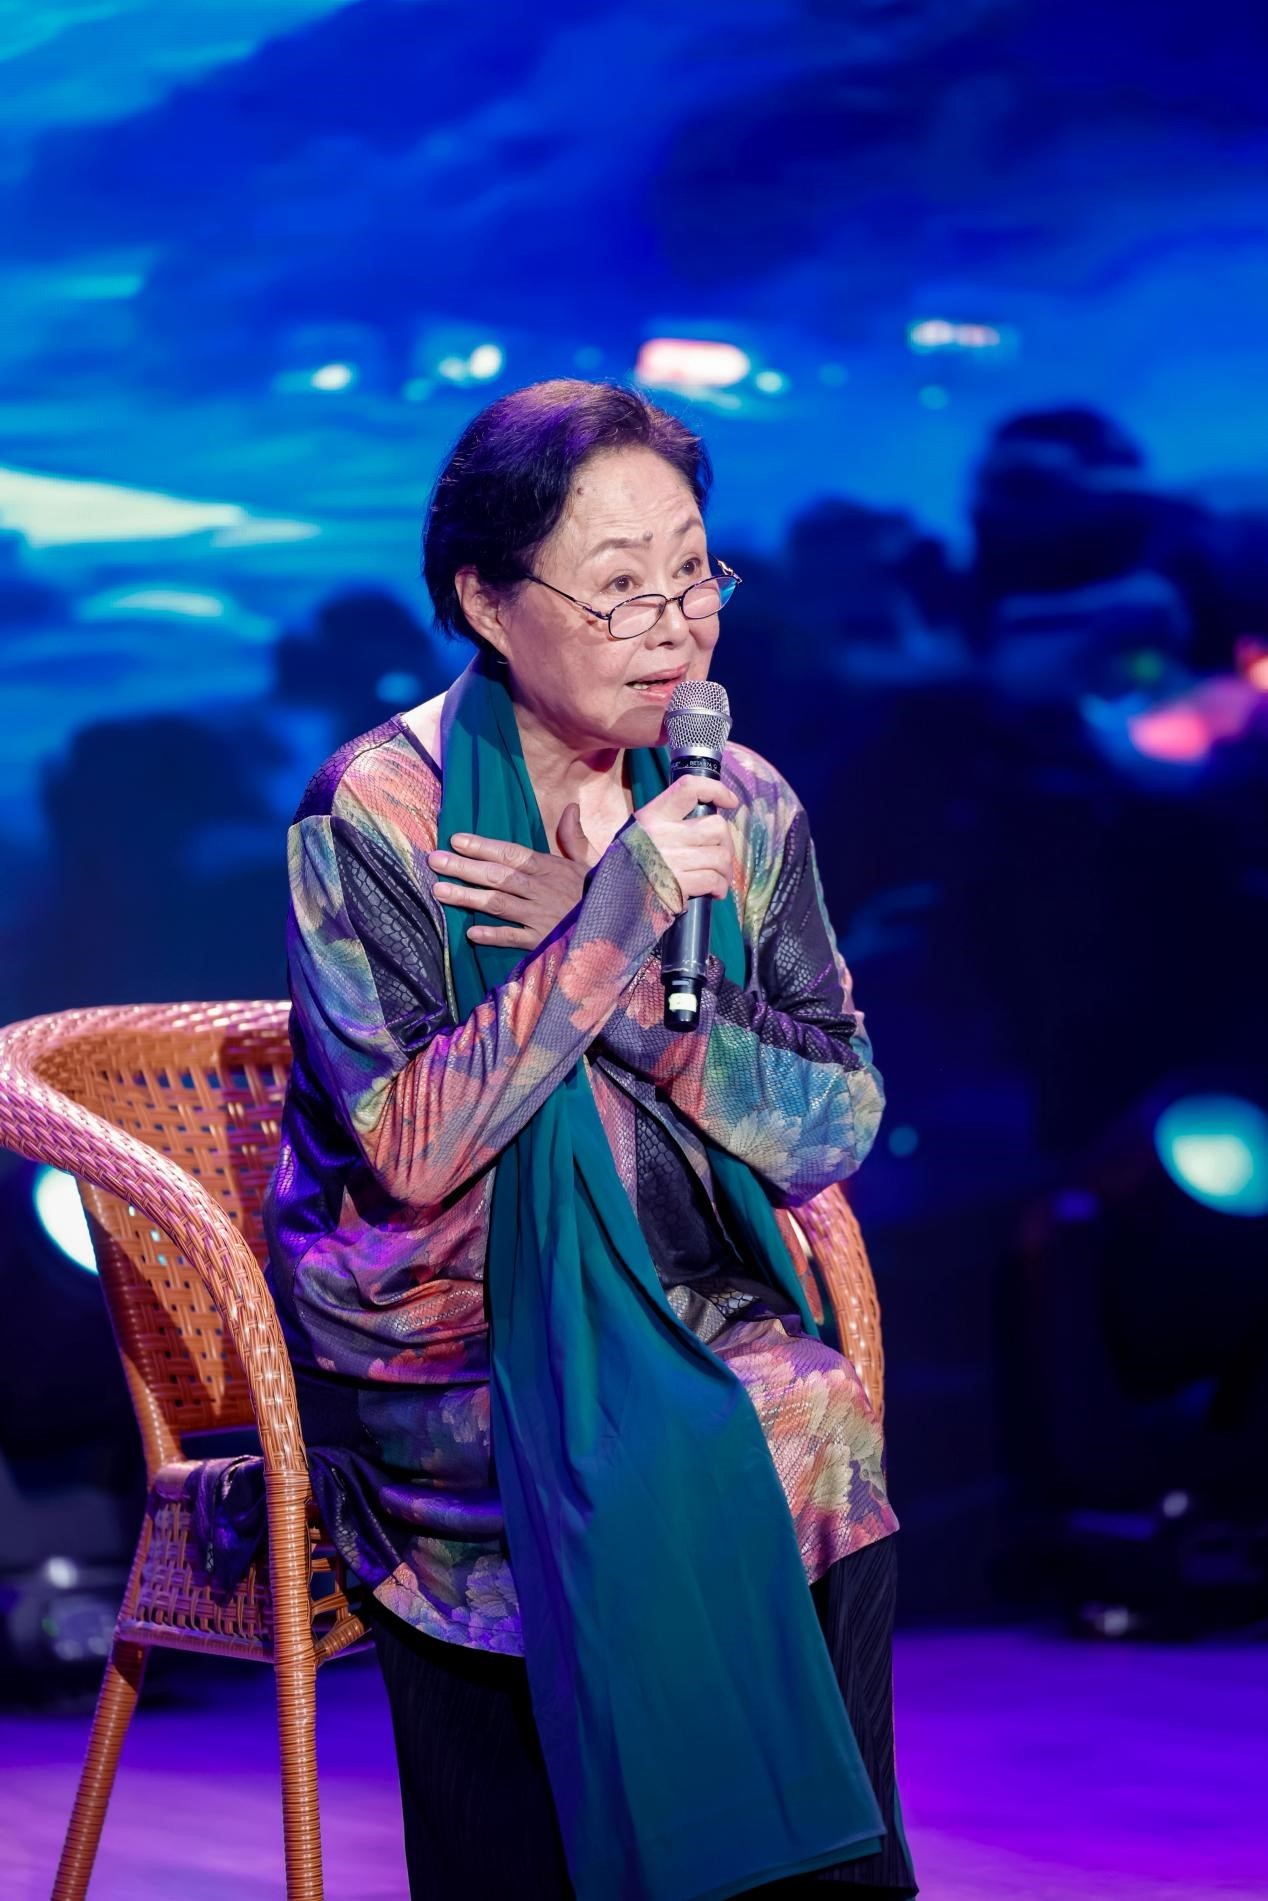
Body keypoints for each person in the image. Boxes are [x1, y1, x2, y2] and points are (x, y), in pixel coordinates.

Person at [263, 379, 918, 1900]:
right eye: (620, 588)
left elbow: (835, 1120)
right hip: (447, 1330)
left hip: (692, 1300)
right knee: (737, 1420)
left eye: (692, 574)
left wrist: (607, 956)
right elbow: (410, 1148)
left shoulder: (738, 804)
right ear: (488, 603)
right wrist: (616, 917)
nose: (674, 629)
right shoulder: (377, 811)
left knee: (810, 1411)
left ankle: (827, 1876)